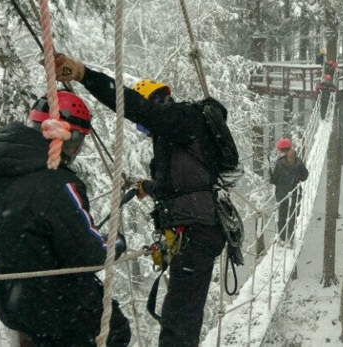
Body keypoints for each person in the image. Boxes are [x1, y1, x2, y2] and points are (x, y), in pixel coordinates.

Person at [53, 54, 227, 347]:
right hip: (197, 232)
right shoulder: (184, 132)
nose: (149, 134)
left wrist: (85, 75)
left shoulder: (182, 118)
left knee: (179, 323)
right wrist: (149, 186)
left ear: (155, 104)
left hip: (196, 234)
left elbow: (135, 108)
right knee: (180, 316)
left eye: (147, 127)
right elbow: (185, 185)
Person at [0, 91, 130, 347]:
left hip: (10, 299)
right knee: (115, 329)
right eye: (76, 142)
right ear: (66, 136)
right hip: (56, 306)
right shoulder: (58, 183)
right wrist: (116, 242)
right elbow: (91, 255)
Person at [270, 138, 309, 244]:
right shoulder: (298, 161)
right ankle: (290, 239)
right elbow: (304, 176)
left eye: (278, 150)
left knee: (282, 216)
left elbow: (274, 180)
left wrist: (270, 173)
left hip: (282, 195)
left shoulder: (279, 163)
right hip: (295, 193)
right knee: (292, 216)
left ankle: (282, 238)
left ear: (282, 151)